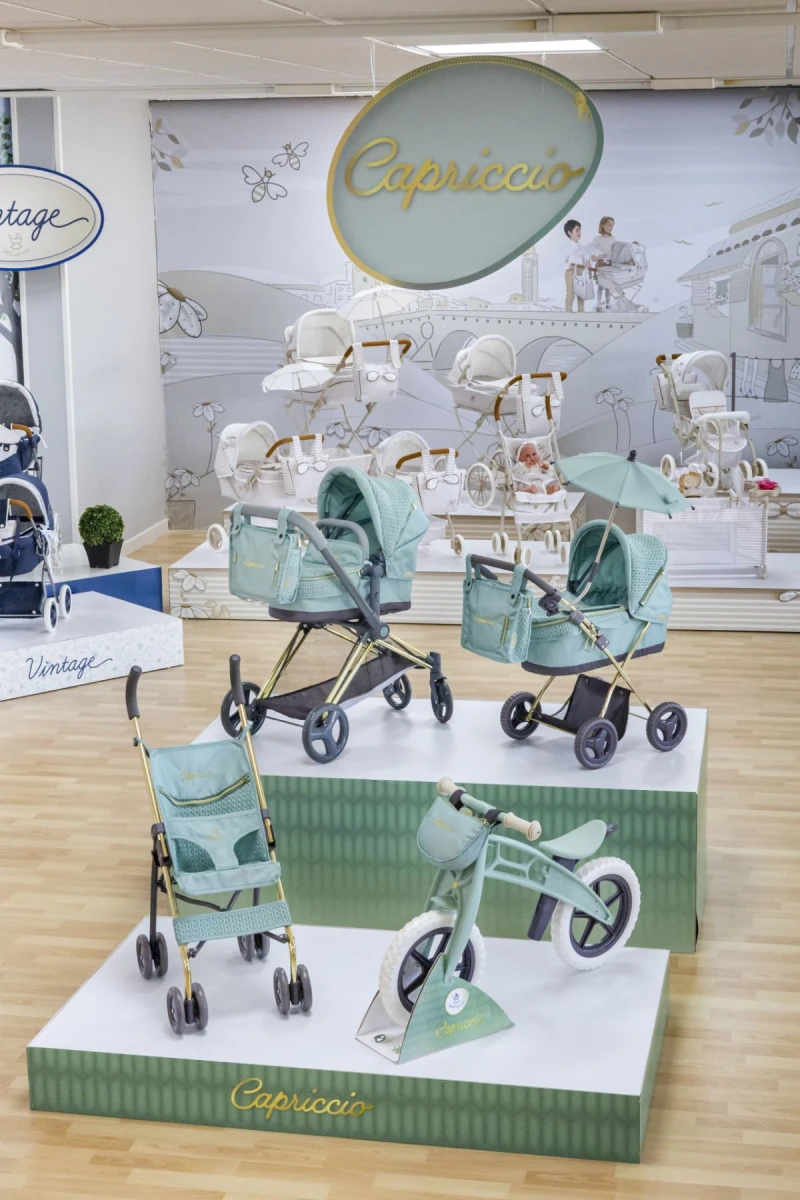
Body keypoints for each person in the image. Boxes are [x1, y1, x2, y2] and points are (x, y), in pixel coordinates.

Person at [590, 216, 616, 312]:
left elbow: (615, 252)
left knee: (608, 286)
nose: (611, 227)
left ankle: (608, 304)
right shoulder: (597, 239)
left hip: (609, 265)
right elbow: (592, 258)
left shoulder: (613, 239)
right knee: (600, 286)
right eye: (609, 225)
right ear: (602, 225)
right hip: (600, 265)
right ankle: (598, 305)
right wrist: (599, 256)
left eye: (612, 225)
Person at [562, 219, 588, 312]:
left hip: (580, 272)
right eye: (577, 230)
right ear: (570, 233)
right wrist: (569, 266)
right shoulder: (567, 247)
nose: (579, 233)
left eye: (580, 230)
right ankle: (568, 314)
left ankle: (581, 313)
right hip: (571, 272)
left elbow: (584, 260)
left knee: (581, 295)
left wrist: (586, 263)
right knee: (571, 294)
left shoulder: (581, 247)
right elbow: (562, 262)